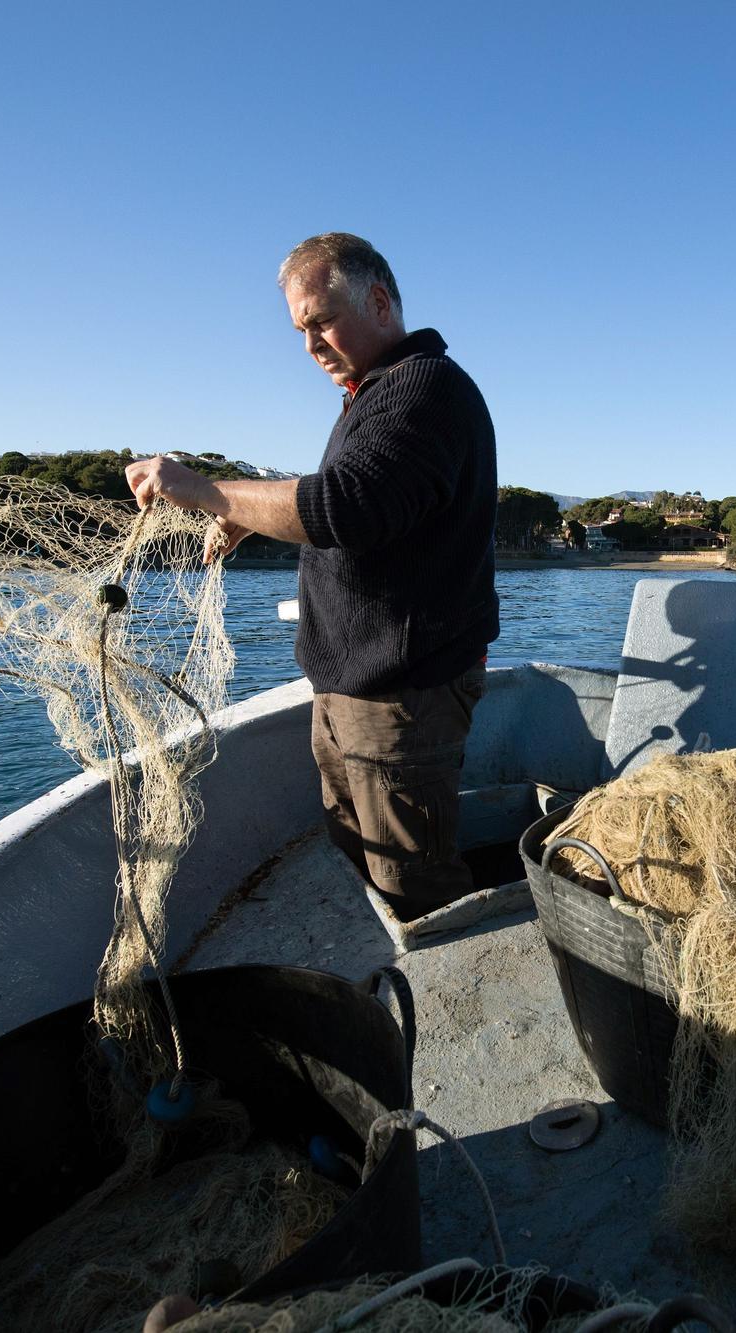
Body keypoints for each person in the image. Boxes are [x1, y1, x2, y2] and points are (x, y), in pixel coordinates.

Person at [125, 233, 498, 916]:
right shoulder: (372, 395)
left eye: (321, 320)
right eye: (300, 329)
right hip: (351, 686)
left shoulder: (425, 389)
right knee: (358, 858)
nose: (310, 345)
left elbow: (346, 506)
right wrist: (252, 514)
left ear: (379, 300)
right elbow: (354, 499)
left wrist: (209, 491)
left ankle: (447, 981)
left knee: (413, 883)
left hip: (401, 696)